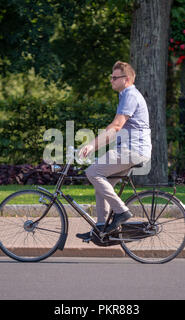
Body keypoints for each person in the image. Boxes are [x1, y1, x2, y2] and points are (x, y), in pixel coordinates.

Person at [76, 61, 152, 240]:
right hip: (132, 149)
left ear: (126, 79)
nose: (111, 80)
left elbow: (116, 126)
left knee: (93, 172)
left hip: (133, 149)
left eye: (114, 77)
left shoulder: (130, 95)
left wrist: (91, 146)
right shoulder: (125, 95)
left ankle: (121, 211)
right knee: (102, 184)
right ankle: (102, 228)